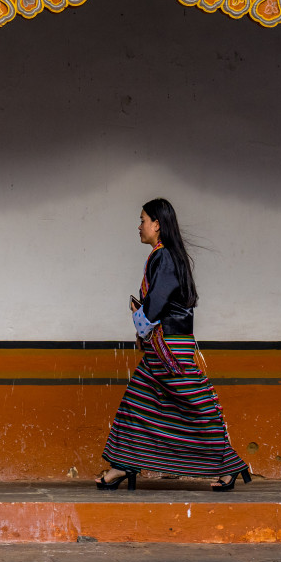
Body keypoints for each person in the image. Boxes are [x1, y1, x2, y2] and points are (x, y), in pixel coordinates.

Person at [95, 198, 251, 492]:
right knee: (136, 403)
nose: (139, 226)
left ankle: (228, 464)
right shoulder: (164, 256)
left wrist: (138, 317)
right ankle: (122, 465)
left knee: (195, 404)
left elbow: (156, 304)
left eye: (142, 220)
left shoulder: (163, 256)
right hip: (168, 344)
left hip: (168, 347)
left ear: (157, 224)